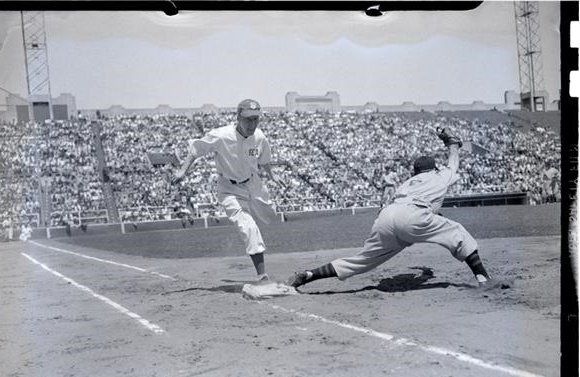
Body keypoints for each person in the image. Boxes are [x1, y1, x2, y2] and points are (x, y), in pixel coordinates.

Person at [288, 128, 493, 289]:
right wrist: (453, 144)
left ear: (415, 172)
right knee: (457, 233)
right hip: (413, 215)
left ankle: (309, 275)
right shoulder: (439, 175)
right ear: (434, 168)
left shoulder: (407, 184)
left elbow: (405, 210)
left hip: (387, 216)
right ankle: (483, 278)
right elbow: (453, 162)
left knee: (362, 260)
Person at [172, 99, 284, 281]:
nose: (252, 124)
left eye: (255, 119)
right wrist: (183, 170)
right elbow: (196, 150)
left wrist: (272, 175)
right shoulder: (221, 136)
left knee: (269, 216)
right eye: (248, 119)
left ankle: (258, 241)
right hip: (229, 189)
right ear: (238, 117)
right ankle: (262, 275)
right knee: (249, 227)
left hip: (254, 185)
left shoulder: (260, 137)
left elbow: (264, 160)